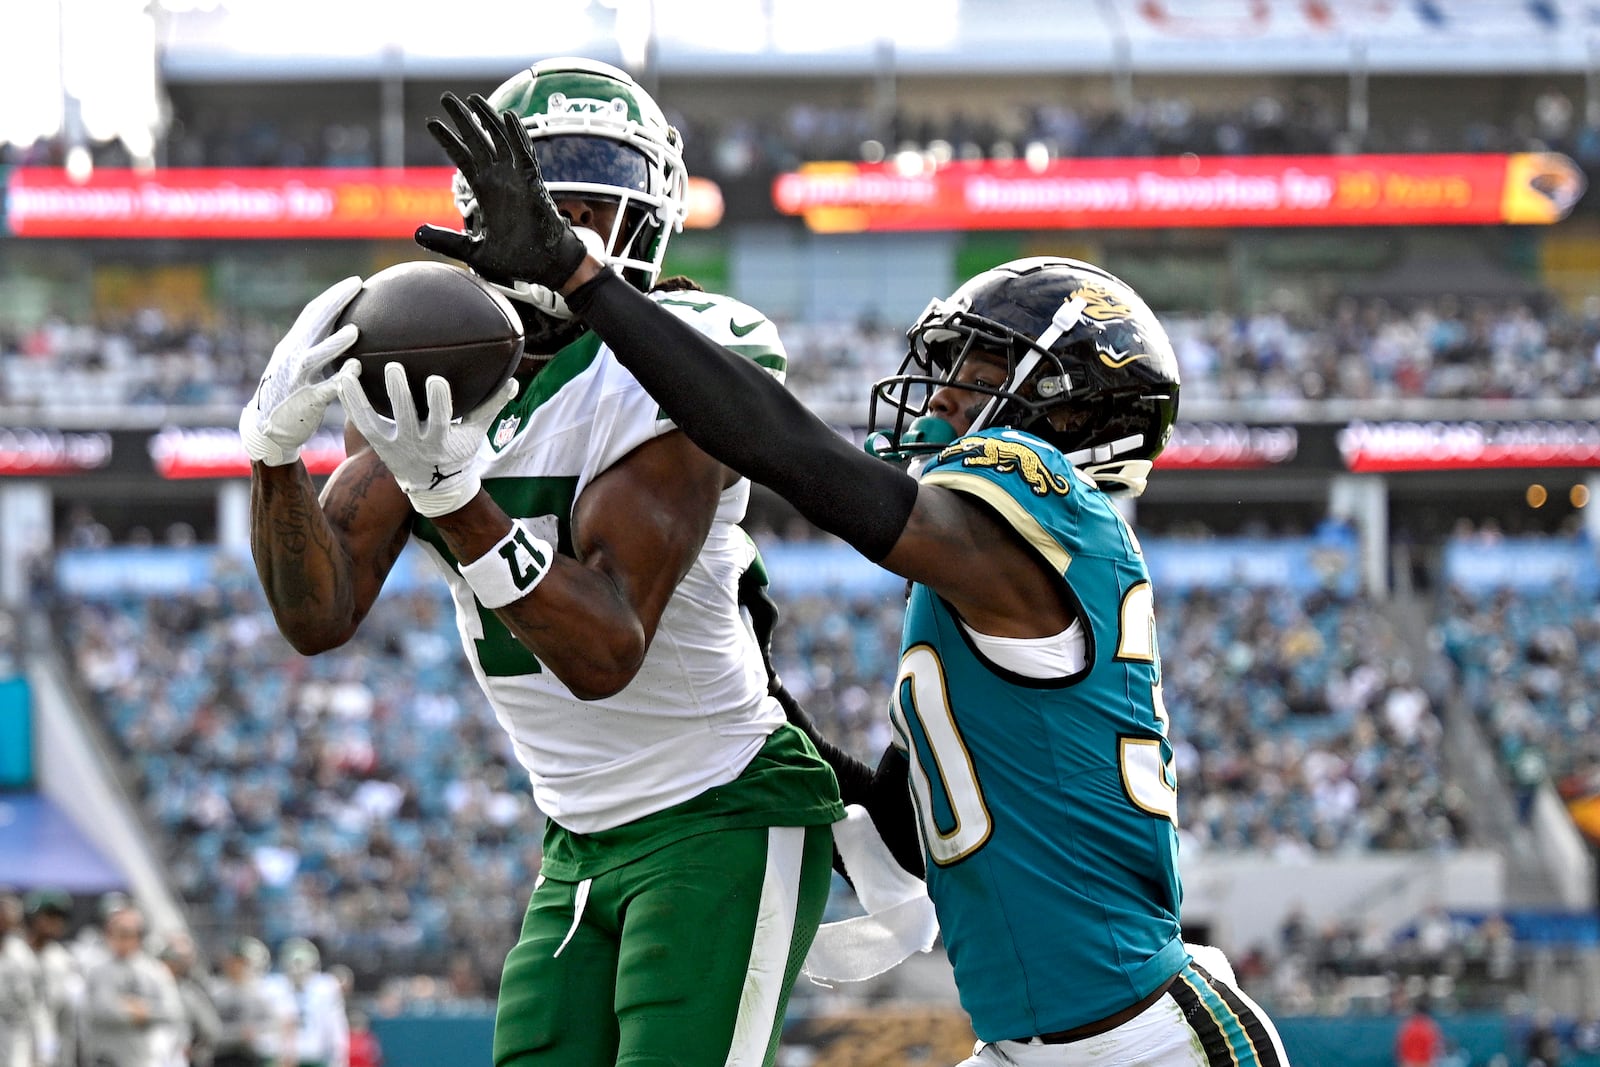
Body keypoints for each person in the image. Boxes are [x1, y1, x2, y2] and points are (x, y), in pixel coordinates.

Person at [418, 95, 1293, 1064]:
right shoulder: (985, 590)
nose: (947, 386)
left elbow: (804, 461)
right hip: (1026, 1041)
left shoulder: (1054, 513)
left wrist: (584, 279)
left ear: (1070, 396)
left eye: (981, 361)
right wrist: (759, 700)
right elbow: (914, 831)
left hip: (1147, 1040)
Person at [239, 56, 843, 1067]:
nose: (558, 234)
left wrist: (453, 496)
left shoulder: (687, 355)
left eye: (588, 212)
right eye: (538, 206)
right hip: (578, 837)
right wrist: (271, 451)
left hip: (720, 808)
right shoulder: (438, 360)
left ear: (646, 224)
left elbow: (605, 644)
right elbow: (319, 611)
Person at [78, 905, 184, 1067]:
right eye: (115, 933)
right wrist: (130, 1011)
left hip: (143, 1057)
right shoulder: (98, 970)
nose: (121, 940)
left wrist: (145, 1011)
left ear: (138, 937)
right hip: (106, 1057)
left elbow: (173, 1009)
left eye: (127, 934)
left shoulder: (154, 971)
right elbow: (100, 1010)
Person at [260, 939, 346, 1067]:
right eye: (294, 963)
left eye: (301, 963)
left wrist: (339, 1058)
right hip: (278, 1057)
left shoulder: (325, 987)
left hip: (314, 1056)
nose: (297, 968)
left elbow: (335, 1026)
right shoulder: (271, 986)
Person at [23, 890, 83, 1067]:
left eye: (60, 917)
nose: (55, 922)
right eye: (49, 915)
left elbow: (67, 1018)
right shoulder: (12, 954)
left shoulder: (63, 961)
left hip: (46, 1049)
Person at [208, 938, 277, 1067]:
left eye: (241, 962)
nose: (236, 966)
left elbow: (271, 1021)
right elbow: (209, 1027)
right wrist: (238, 1034)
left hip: (249, 1055)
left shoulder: (257, 991)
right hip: (221, 1054)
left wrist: (255, 1031)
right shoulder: (215, 990)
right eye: (234, 962)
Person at [1395, 999, 1443, 1067]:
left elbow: (1398, 1046)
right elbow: (1436, 1047)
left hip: (1409, 1062)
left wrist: (1402, 1061)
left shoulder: (1407, 1026)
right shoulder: (1430, 1027)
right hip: (1425, 1062)